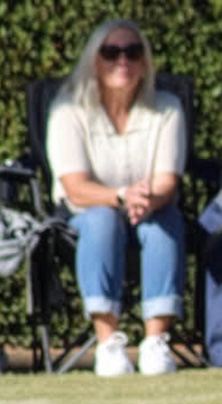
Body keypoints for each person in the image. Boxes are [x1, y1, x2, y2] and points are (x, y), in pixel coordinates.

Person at [46, 19, 187, 375]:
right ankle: (108, 343)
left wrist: (144, 200)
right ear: (95, 60)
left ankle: (155, 342)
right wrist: (121, 196)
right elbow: (76, 187)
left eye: (132, 52)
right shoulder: (67, 111)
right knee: (102, 219)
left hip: (149, 209)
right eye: (111, 52)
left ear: (144, 62)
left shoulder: (167, 108)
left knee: (164, 223)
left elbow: (167, 182)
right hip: (85, 213)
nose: (122, 60)